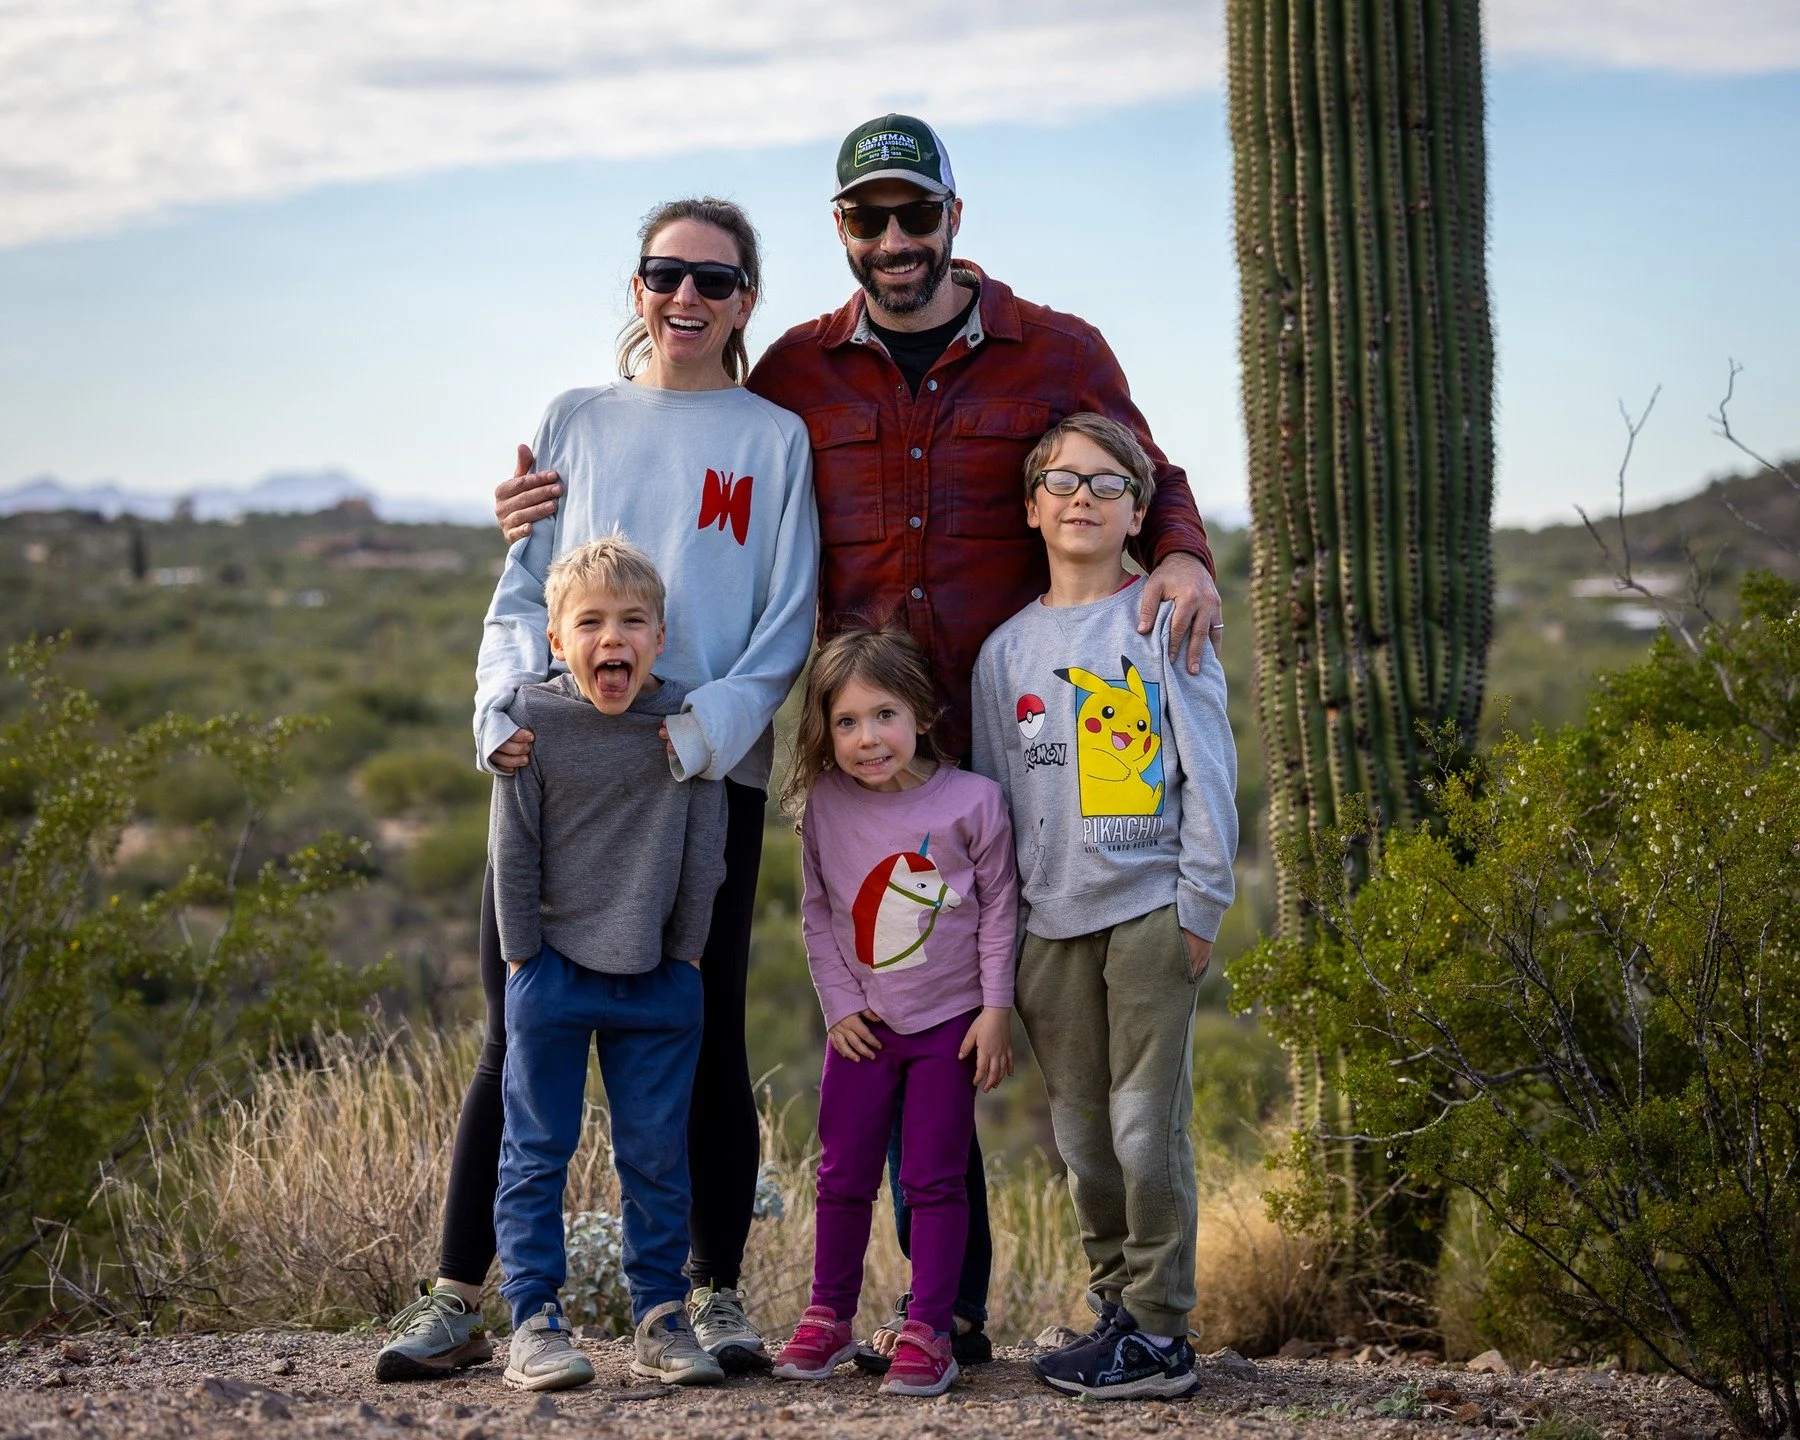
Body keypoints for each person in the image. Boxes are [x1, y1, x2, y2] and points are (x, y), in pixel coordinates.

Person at [493, 112, 1223, 1363]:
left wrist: (1188, 557)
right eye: (867, 219)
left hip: (1014, 737)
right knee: (888, 1012)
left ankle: (1010, 1314)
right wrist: (549, 507)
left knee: (976, 1023)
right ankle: (898, 1309)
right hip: (865, 747)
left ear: (952, 217)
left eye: (914, 215)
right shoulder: (792, 371)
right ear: (841, 232)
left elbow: (1145, 473)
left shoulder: (1057, 350)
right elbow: (689, 448)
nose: (894, 240)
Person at [375, 197, 817, 1382]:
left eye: (713, 281)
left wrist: (704, 731)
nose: (686, 298)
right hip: (554, 775)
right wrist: (497, 718)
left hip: (696, 775)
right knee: (512, 1031)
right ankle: (462, 1299)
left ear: (745, 301)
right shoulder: (573, 418)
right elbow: (524, 597)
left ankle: (708, 1298)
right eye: (664, 274)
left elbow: (787, 622)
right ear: (637, 290)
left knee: (703, 1032)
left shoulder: (773, 438)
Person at [970, 413, 1239, 1400]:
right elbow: (994, 808)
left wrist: (1199, 905)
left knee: (1143, 1131)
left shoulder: (1163, 621)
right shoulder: (1004, 653)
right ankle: (1117, 1312)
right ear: (1032, 508)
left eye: (1108, 483)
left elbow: (1208, 771)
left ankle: (1165, 1333)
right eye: (1063, 481)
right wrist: (1001, 948)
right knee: (1083, 1140)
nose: (1083, 496)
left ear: (1139, 512)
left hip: (1146, 912)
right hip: (1049, 928)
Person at [487, 536, 726, 1391]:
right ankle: (535, 1319)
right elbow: (512, 848)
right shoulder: (529, 721)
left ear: (659, 638)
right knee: (537, 1148)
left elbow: (706, 849)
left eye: (631, 622)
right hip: (551, 969)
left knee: (658, 1155)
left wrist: (688, 951)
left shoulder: (687, 719)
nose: (610, 638)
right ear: (557, 640)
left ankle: (662, 1315)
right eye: (589, 623)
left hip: (660, 973)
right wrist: (521, 958)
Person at [770, 626, 1017, 1398]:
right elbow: (816, 915)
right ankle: (828, 1314)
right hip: (863, 1030)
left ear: (919, 711)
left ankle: (931, 1330)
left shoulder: (974, 803)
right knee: (842, 1175)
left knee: (935, 1178)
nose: (866, 738)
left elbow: (1002, 911)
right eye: (845, 723)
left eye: (882, 715)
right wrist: (839, 1004)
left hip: (949, 1025)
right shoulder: (826, 808)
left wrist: (995, 1011)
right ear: (823, 731)